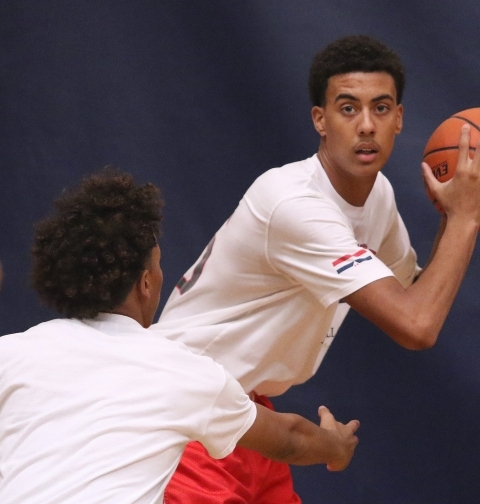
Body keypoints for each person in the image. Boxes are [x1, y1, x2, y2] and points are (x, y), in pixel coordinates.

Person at [154, 35, 480, 502]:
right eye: (348, 109)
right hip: (185, 412)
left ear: (400, 120)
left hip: (247, 413)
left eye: (381, 108)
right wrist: (466, 218)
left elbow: (416, 293)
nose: (366, 125)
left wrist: (454, 217)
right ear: (320, 120)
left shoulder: (377, 195)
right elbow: (417, 325)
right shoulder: (296, 204)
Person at [0, 169, 359, 504]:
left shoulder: (11, 353)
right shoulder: (184, 371)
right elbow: (290, 440)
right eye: (156, 265)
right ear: (144, 283)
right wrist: (335, 446)